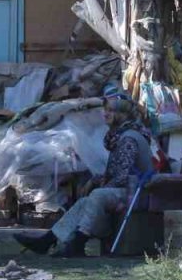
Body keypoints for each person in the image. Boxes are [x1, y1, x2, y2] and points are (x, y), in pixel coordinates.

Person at [15, 96, 153, 257]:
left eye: (110, 111)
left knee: (97, 195)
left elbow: (121, 177)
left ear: (122, 114)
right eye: (105, 110)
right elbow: (118, 174)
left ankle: (78, 242)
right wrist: (94, 181)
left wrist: (98, 186)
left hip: (135, 192)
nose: (105, 114)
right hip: (125, 189)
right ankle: (48, 240)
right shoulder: (121, 135)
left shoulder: (129, 138)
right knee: (84, 202)